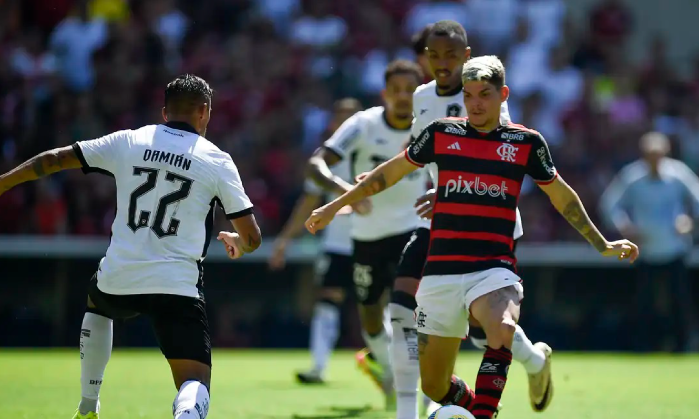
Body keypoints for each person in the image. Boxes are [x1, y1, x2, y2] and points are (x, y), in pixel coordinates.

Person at [306, 56, 639, 419]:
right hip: (440, 272)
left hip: (493, 267)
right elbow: (386, 174)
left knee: (502, 328)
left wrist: (601, 243)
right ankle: (480, 405)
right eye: (469, 95)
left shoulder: (525, 142)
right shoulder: (441, 133)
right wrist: (332, 206)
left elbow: (561, 195)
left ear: (503, 95)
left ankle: (481, 416)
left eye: (484, 94)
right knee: (434, 386)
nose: (476, 103)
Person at [0, 74, 261, 419]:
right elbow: (253, 237)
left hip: (119, 275)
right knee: (194, 379)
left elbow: (52, 160)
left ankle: (88, 405)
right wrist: (238, 244)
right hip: (177, 285)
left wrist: (4, 183)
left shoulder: (130, 140)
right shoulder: (216, 160)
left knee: (98, 303)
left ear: (165, 113)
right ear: (205, 112)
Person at [387, 20, 551, 419]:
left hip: (486, 221)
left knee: (485, 332)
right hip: (437, 222)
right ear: (424, 58)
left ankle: (531, 363)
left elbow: (495, 149)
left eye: (450, 54)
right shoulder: (422, 97)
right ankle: (413, 409)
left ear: (467, 55)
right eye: (434, 54)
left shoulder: (484, 91)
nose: (442, 62)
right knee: (401, 306)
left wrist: (445, 191)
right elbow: (423, 154)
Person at [307, 59, 428, 410]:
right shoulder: (362, 123)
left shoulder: (429, 127)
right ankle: (391, 371)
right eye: (397, 90)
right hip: (366, 236)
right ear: (384, 94)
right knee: (371, 319)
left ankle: (422, 388)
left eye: (410, 90)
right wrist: (346, 190)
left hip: (413, 230)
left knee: (410, 310)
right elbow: (316, 163)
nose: (404, 97)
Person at [268, 98, 363, 383]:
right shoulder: (324, 160)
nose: (346, 124)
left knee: (382, 307)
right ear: (333, 124)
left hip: (376, 240)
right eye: (341, 118)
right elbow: (308, 201)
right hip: (337, 243)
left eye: (352, 118)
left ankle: (394, 371)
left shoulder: (379, 150)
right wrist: (285, 239)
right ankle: (318, 366)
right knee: (327, 301)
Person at [599, 131, 699, 352]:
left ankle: (682, 346)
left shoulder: (678, 174)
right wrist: (625, 227)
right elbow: (609, 205)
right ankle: (644, 347)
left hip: (675, 247)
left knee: (679, 302)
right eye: (650, 154)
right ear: (643, 155)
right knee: (644, 304)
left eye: (658, 154)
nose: (654, 159)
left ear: (665, 153)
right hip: (645, 250)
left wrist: (690, 221)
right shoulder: (632, 176)